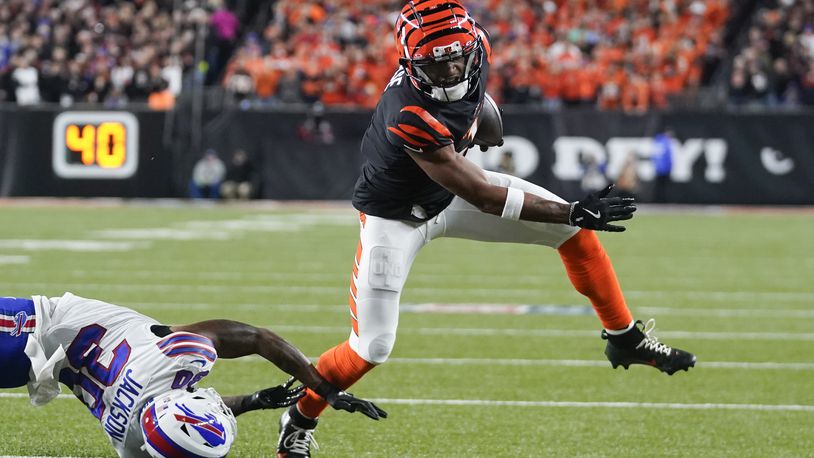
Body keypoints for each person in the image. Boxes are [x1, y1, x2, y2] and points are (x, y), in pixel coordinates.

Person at [276, 2, 696, 457]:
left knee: (574, 238)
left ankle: (625, 339)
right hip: (397, 218)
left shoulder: (474, 58)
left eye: (458, 56)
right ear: (411, 66)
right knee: (371, 347)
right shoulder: (409, 112)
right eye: (436, 63)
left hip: (445, 192)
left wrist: (488, 124)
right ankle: (299, 418)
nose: (453, 68)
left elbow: (478, 105)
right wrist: (572, 209)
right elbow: (482, 196)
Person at [0, 293, 386, 458]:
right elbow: (175, 420)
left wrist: (322, 387)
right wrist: (253, 401)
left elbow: (257, 338)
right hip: (46, 336)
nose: (214, 399)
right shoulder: (135, 443)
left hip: (36, 335)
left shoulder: (177, 359)